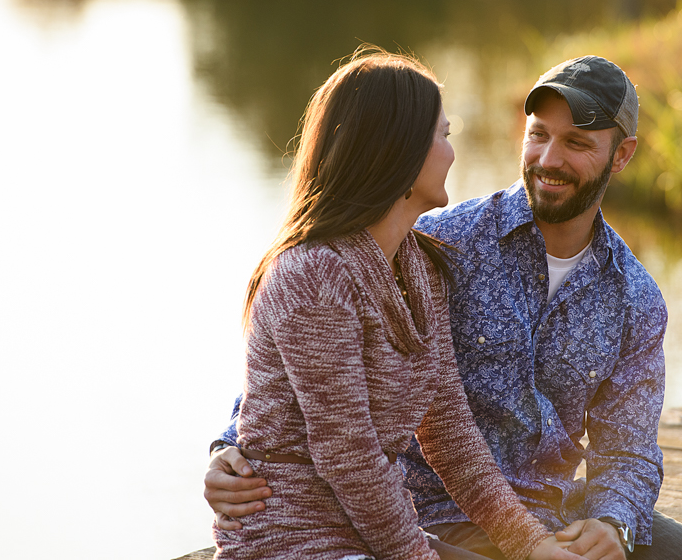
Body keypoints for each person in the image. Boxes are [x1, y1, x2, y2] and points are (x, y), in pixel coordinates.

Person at [207, 56, 682, 560]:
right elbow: (306, 384)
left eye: (576, 143)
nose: (550, 159)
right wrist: (229, 445)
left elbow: (628, 447)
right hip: (424, 512)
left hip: (545, 509)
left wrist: (614, 522)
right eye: (538, 135)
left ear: (621, 156)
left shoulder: (631, 298)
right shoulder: (443, 243)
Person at [213, 49, 584, 560]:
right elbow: (351, 459)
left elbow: (451, 433)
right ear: (399, 152)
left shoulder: (419, 269)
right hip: (293, 540)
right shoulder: (314, 276)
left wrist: (533, 545)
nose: (453, 153)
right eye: (443, 137)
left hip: (372, 535)